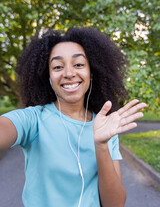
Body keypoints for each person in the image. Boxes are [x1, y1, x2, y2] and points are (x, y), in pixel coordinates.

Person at [0, 27, 147, 207]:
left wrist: (101, 145)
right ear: (48, 77)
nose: (69, 73)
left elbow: (115, 204)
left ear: (91, 73)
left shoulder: (106, 128)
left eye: (78, 64)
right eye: (57, 67)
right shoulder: (33, 120)